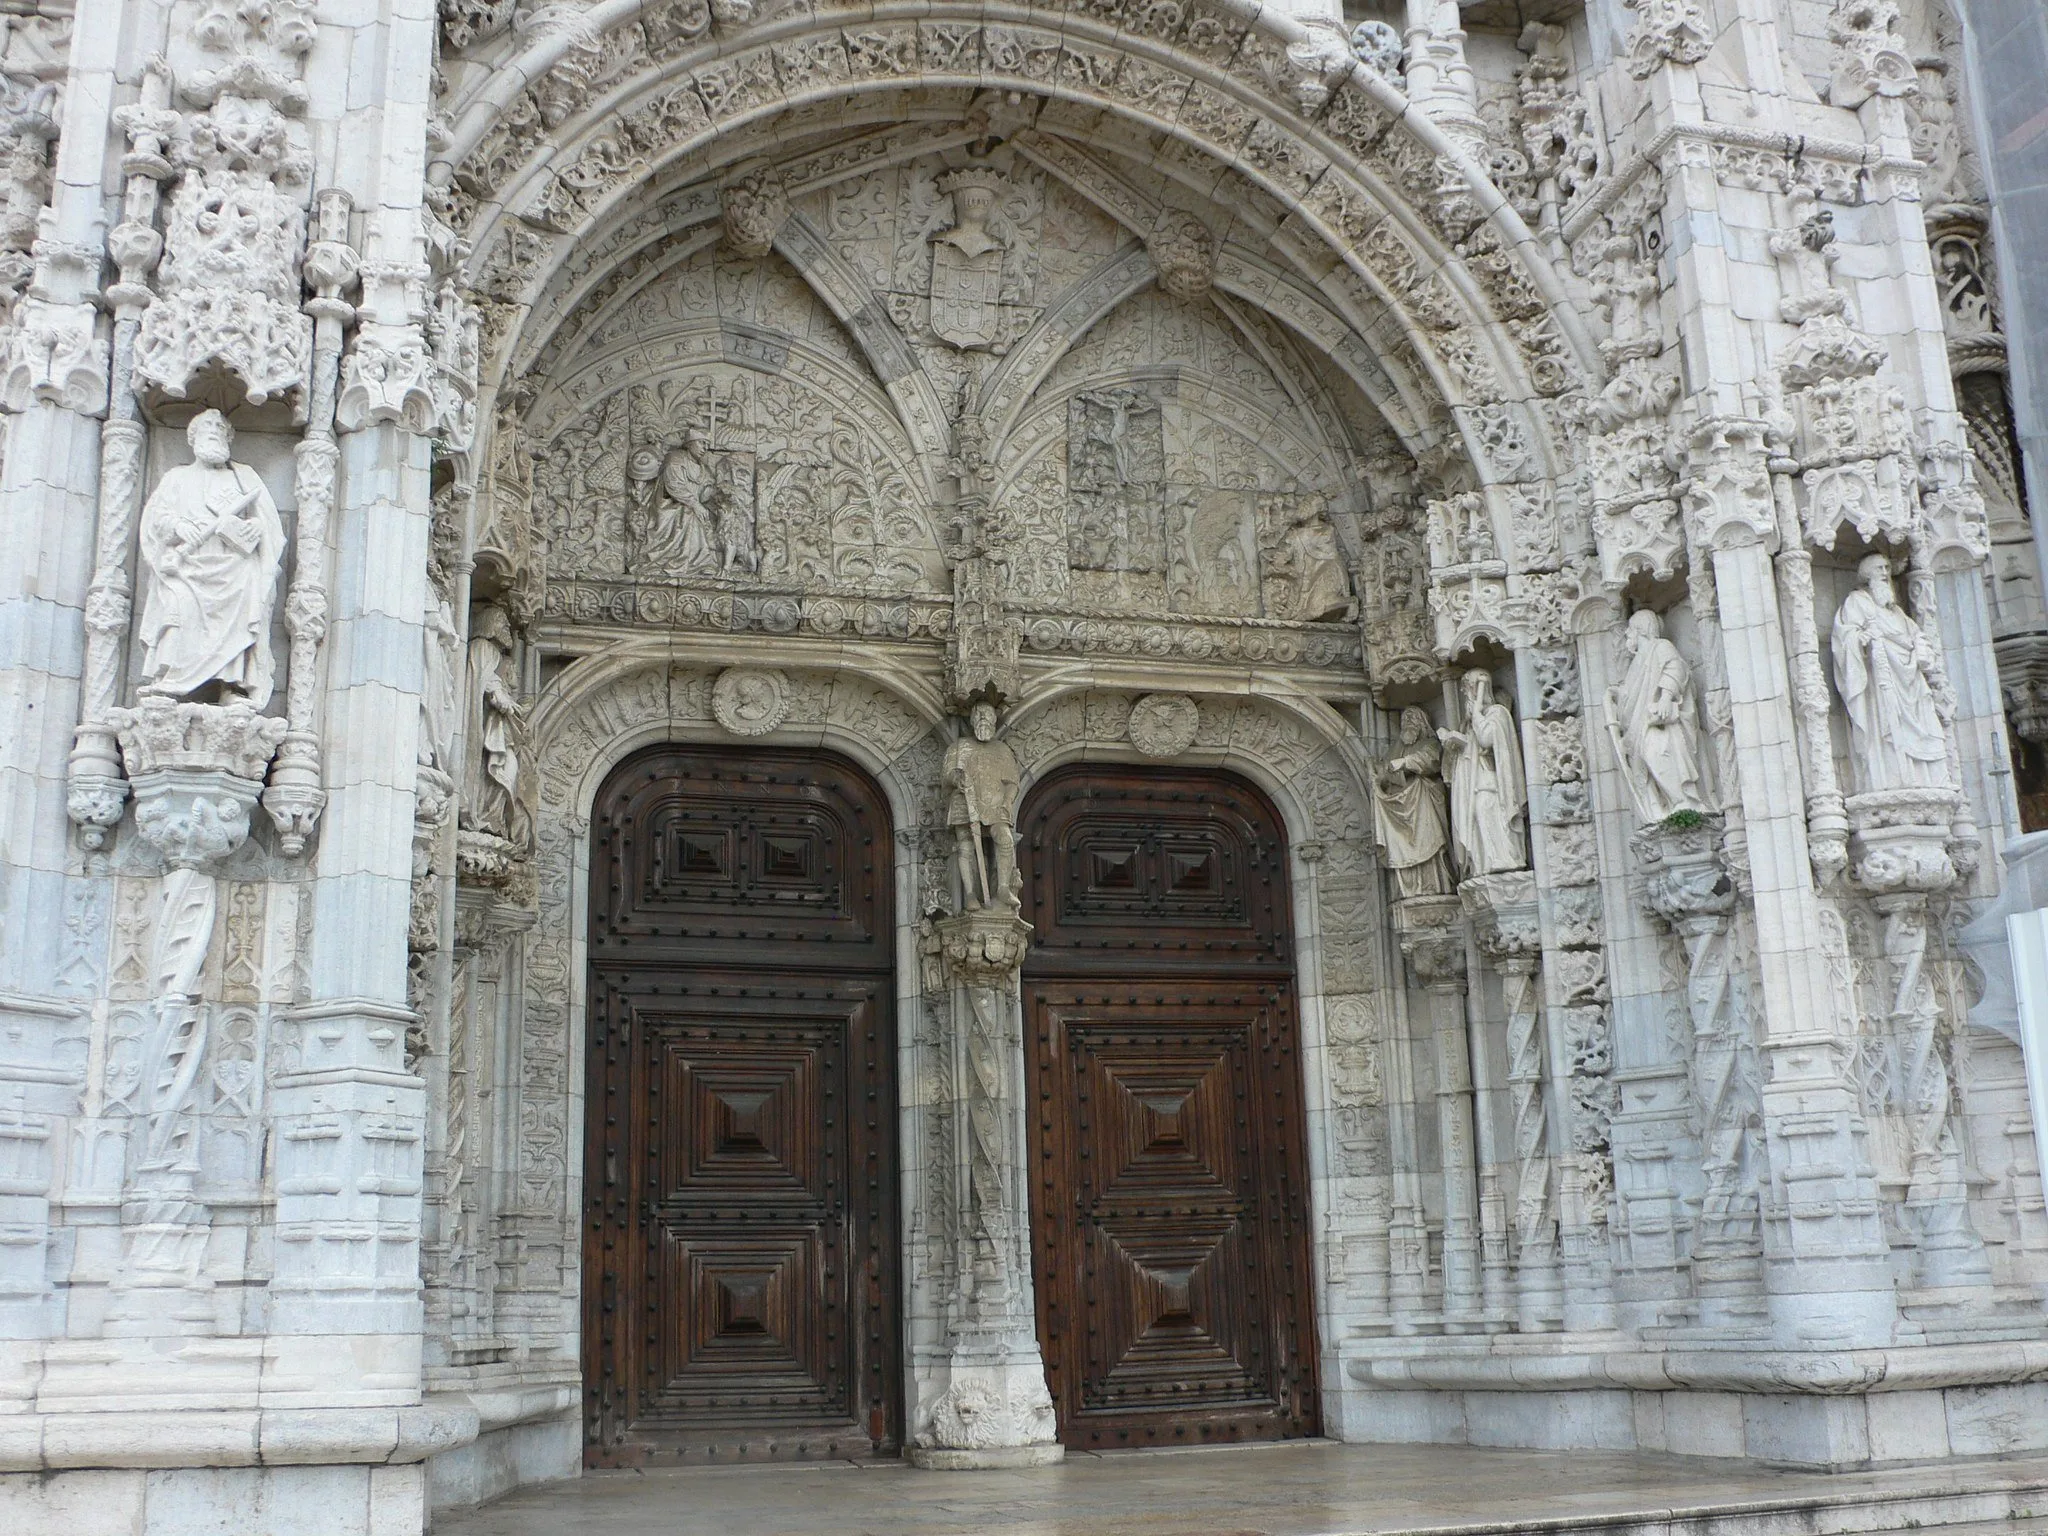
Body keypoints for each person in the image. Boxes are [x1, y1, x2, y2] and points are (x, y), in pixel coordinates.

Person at [135, 410, 285, 703]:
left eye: (220, 427)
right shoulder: (176, 478)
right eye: (207, 426)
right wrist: (180, 526)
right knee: (179, 605)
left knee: (245, 592)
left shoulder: (243, 478)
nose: (214, 430)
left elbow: (266, 523)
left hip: (234, 566)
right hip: (187, 566)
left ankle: (230, 685)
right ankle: (170, 678)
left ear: (228, 437)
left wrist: (252, 528)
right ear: (193, 438)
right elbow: (157, 517)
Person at [1831, 553, 1952, 795]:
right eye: (1879, 568)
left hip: (1910, 683)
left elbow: (1915, 633)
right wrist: (1861, 641)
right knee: (1886, 728)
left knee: (1925, 723)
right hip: (1880, 682)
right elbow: (1845, 637)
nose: (1885, 572)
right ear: (1866, 574)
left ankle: (1926, 777)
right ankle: (1893, 778)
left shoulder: (1896, 612)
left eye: (1887, 567)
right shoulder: (1858, 602)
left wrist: (1920, 648)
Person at [1607, 609, 1708, 823]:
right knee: (1645, 757)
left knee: (1655, 751)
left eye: (1630, 631)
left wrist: (1665, 697)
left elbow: (1675, 668)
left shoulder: (1661, 647)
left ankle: (1683, 799)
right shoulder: (1637, 662)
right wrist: (1615, 695)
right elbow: (1631, 693)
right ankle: (1662, 806)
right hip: (1639, 724)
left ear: (1640, 630)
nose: (1627, 636)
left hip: (1662, 724)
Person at [1439, 669, 1527, 877]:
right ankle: (1484, 864)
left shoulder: (1497, 713)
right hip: (1475, 781)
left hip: (1490, 780)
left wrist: (1477, 707)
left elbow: (1487, 738)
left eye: (1468, 691)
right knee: (1477, 815)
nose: (1466, 697)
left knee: (1486, 809)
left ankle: (1505, 859)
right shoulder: (1470, 723)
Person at [943, 701, 1021, 910]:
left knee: (1004, 838)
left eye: (987, 715)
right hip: (965, 800)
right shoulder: (959, 747)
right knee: (965, 844)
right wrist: (957, 778)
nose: (982, 720)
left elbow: (1012, 782)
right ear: (971, 720)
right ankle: (969, 893)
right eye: (978, 716)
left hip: (995, 802)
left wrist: (1007, 801)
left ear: (995, 720)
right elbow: (948, 774)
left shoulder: (1002, 750)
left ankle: (1003, 888)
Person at [1372, 706, 1453, 897]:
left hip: (1424, 802)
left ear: (1422, 722)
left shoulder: (1430, 743)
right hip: (1400, 809)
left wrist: (1405, 762)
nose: (1408, 722)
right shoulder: (1395, 749)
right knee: (1401, 847)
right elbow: (1385, 772)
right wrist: (1378, 776)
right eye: (1404, 719)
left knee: (1429, 842)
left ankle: (1434, 886)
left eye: (1413, 718)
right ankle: (1408, 889)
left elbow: (1431, 759)